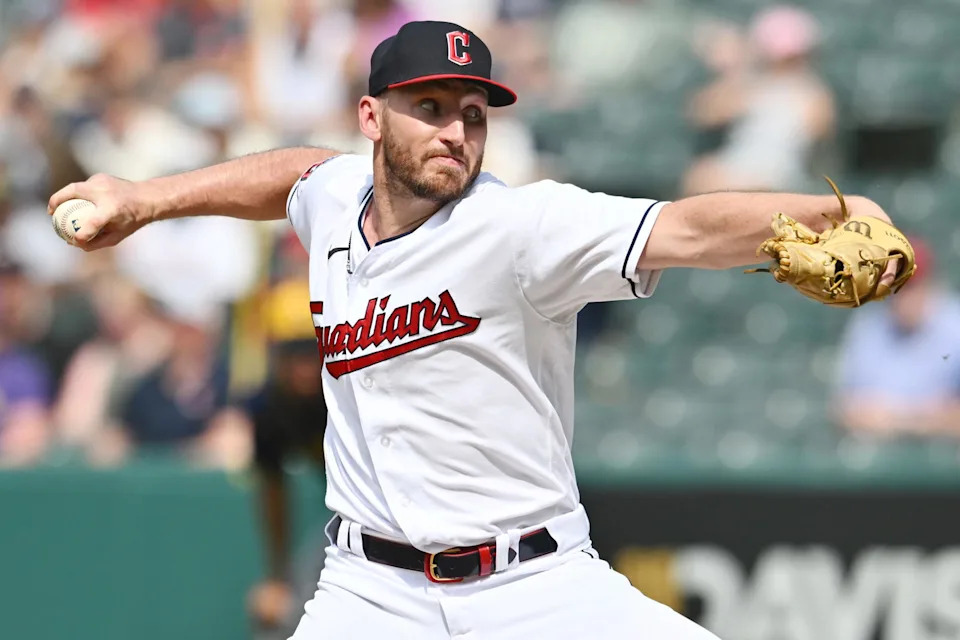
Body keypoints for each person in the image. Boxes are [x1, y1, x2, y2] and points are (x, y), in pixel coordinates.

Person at [49, 20, 903, 639]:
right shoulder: (338, 198)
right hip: (367, 595)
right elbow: (291, 173)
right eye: (430, 106)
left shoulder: (523, 227)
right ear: (372, 117)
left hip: (534, 588)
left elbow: (682, 228)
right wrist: (145, 198)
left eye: (473, 112)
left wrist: (836, 211)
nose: (456, 131)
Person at [682, 4, 836, 195]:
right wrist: (736, 69)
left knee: (708, 179)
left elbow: (819, 132)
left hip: (781, 175)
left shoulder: (811, 92)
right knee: (700, 175)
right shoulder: (753, 84)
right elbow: (704, 113)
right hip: (739, 166)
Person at [835, 237, 960, 437]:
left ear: (929, 284)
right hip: (880, 456)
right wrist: (928, 417)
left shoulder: (955, 325)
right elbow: (846, 410)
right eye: (895, 285)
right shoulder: (869, 325)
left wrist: (899, 420)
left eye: (910, 286)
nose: (902, 295)